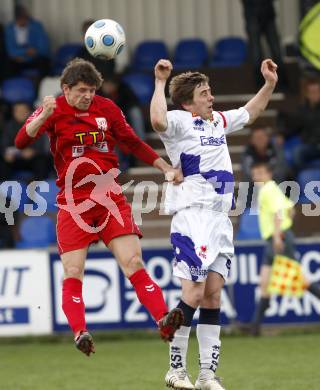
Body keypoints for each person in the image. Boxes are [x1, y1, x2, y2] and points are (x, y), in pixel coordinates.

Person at [15, 58, 184, 356]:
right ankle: (80, 332)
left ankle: (163, 319)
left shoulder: (106, 108)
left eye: (92, 90)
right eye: (81, 90)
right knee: (73, 270)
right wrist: (43, 117)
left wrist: (164, 166)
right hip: (73, 204)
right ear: (65, 89)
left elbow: (132, 142)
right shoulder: (52, 109)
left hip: (109, 199)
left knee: (133, 263)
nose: (88, 96)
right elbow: (20, 142)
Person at [150, 57, 278, 390]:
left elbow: (250, 112)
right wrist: (160, 83)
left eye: (209, 91)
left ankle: (207, 373)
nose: (211, 97)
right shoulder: (179, 122)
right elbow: (157, 121)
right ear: (188, 102)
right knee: (191, 293)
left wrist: (269, 84)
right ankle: (176, 369)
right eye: (205, 93)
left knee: (212, 297)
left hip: (220, 220)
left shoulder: (217, 121)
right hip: (193, 216)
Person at [250, 162, 320, 336]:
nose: (256, 177)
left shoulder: (267, 190)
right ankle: (255, 327)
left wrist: (277, 235)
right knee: (264, 282)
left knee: (301, 280)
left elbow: (279, 212)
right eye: (254, 174)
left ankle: (254, 327)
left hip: (278, 239)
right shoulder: (273, 189)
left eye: (259, 173)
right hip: (277, 238)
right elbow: (291, 210)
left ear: (268, 173)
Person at [241, 0, 288, 90]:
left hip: (266, 15)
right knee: (257, 53)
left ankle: (281, 83)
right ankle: (261, 85)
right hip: (253, 15)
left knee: (275, 51)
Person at [1, 102, 51, 181]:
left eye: (23, 111)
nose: (21, 113)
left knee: (42, 161)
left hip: (33, 158)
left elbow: (42, 145)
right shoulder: (9, 126)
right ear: (13, 113)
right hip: (15, 158)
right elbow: (4, 144)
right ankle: (3, 187)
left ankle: (35, 184)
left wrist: (34, 151)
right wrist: (6, 154)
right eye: (18, 111)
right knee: (3, 162)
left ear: (29, 112)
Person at [4, 4, 51, 78]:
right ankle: (12, 87)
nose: (24, 20)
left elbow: (43, 48)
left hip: (35, 58)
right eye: (20, 18)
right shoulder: (9, 29)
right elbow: (11, 51)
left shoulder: (37, 26)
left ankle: (41, 87)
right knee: (6, 64)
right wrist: (25, 52)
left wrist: (25, 56)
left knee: (44, 61)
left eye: (25, 17)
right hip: (17, 59)